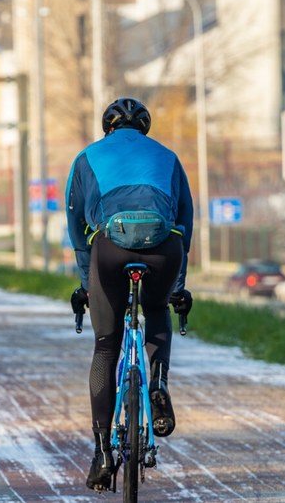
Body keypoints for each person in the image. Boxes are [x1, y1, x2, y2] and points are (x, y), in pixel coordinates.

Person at [66, 97, 195, 492]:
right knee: (155, 308)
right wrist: (177, 287)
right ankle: (157, 383)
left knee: (106, 346)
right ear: (145, 128)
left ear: (108, 128)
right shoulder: (169, 157)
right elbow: (184, 226)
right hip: (163, 249)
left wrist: (88, 286)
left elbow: (75, 226)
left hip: (110, 248)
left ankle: (103, 451)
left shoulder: (86, 157)